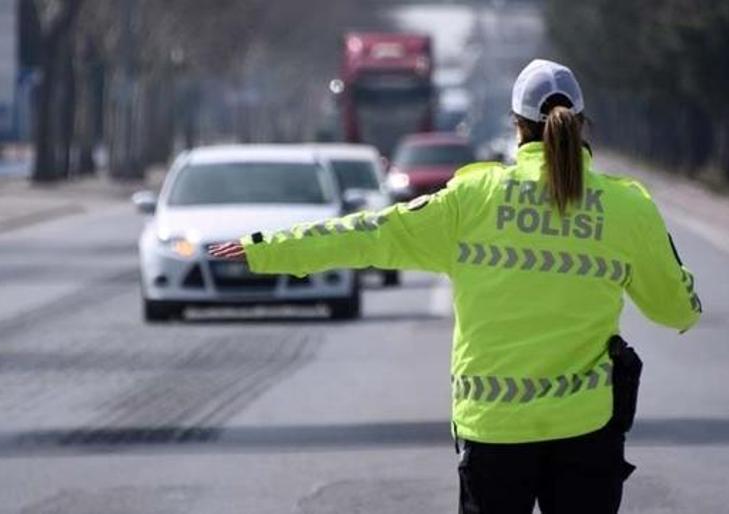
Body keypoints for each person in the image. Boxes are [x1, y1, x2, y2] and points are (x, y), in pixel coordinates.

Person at [209, 59, 701, 514]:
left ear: (517, 125)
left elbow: (367, 235)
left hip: (492, 431)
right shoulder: (627, 208)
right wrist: (687, 298)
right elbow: (675, 311)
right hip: (587, 429)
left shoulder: (473, 200)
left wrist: (266, 248)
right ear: (582, 121)